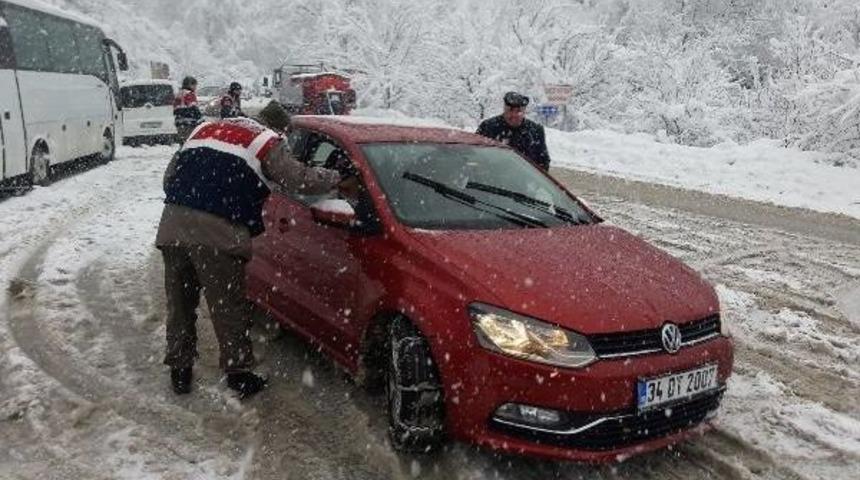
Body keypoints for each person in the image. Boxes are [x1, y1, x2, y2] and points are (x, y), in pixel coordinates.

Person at [155, 101, 343, 398]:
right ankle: (238, 374)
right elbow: (299, 180)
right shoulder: (266, 140)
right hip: (218, 233)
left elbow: (168, 180)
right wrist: (335, 177)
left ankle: (180, 370)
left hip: (173, 225)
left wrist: (198, 195)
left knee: (180, 303)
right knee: (227, 307)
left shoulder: (204, 128)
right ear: (280, 128)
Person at [476, 91, 552, 171]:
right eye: (510, 110)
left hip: (524, 180)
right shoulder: (488, 127)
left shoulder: (535, 131)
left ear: (524, 111)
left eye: (518, 111)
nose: (514, 115)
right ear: (504, 109)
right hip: (492, 178)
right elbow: (475, 154)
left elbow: (543, 163)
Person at [173, 76, 203, 142]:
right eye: (195, 85)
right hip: (189, 123)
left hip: (179, 122)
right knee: (190, 142)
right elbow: (193, 108)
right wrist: (200, 119)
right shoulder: (190, 94)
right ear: (190, 84)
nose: (195, 87)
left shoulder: (179, 94)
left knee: (182, 142)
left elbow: (175, 109)